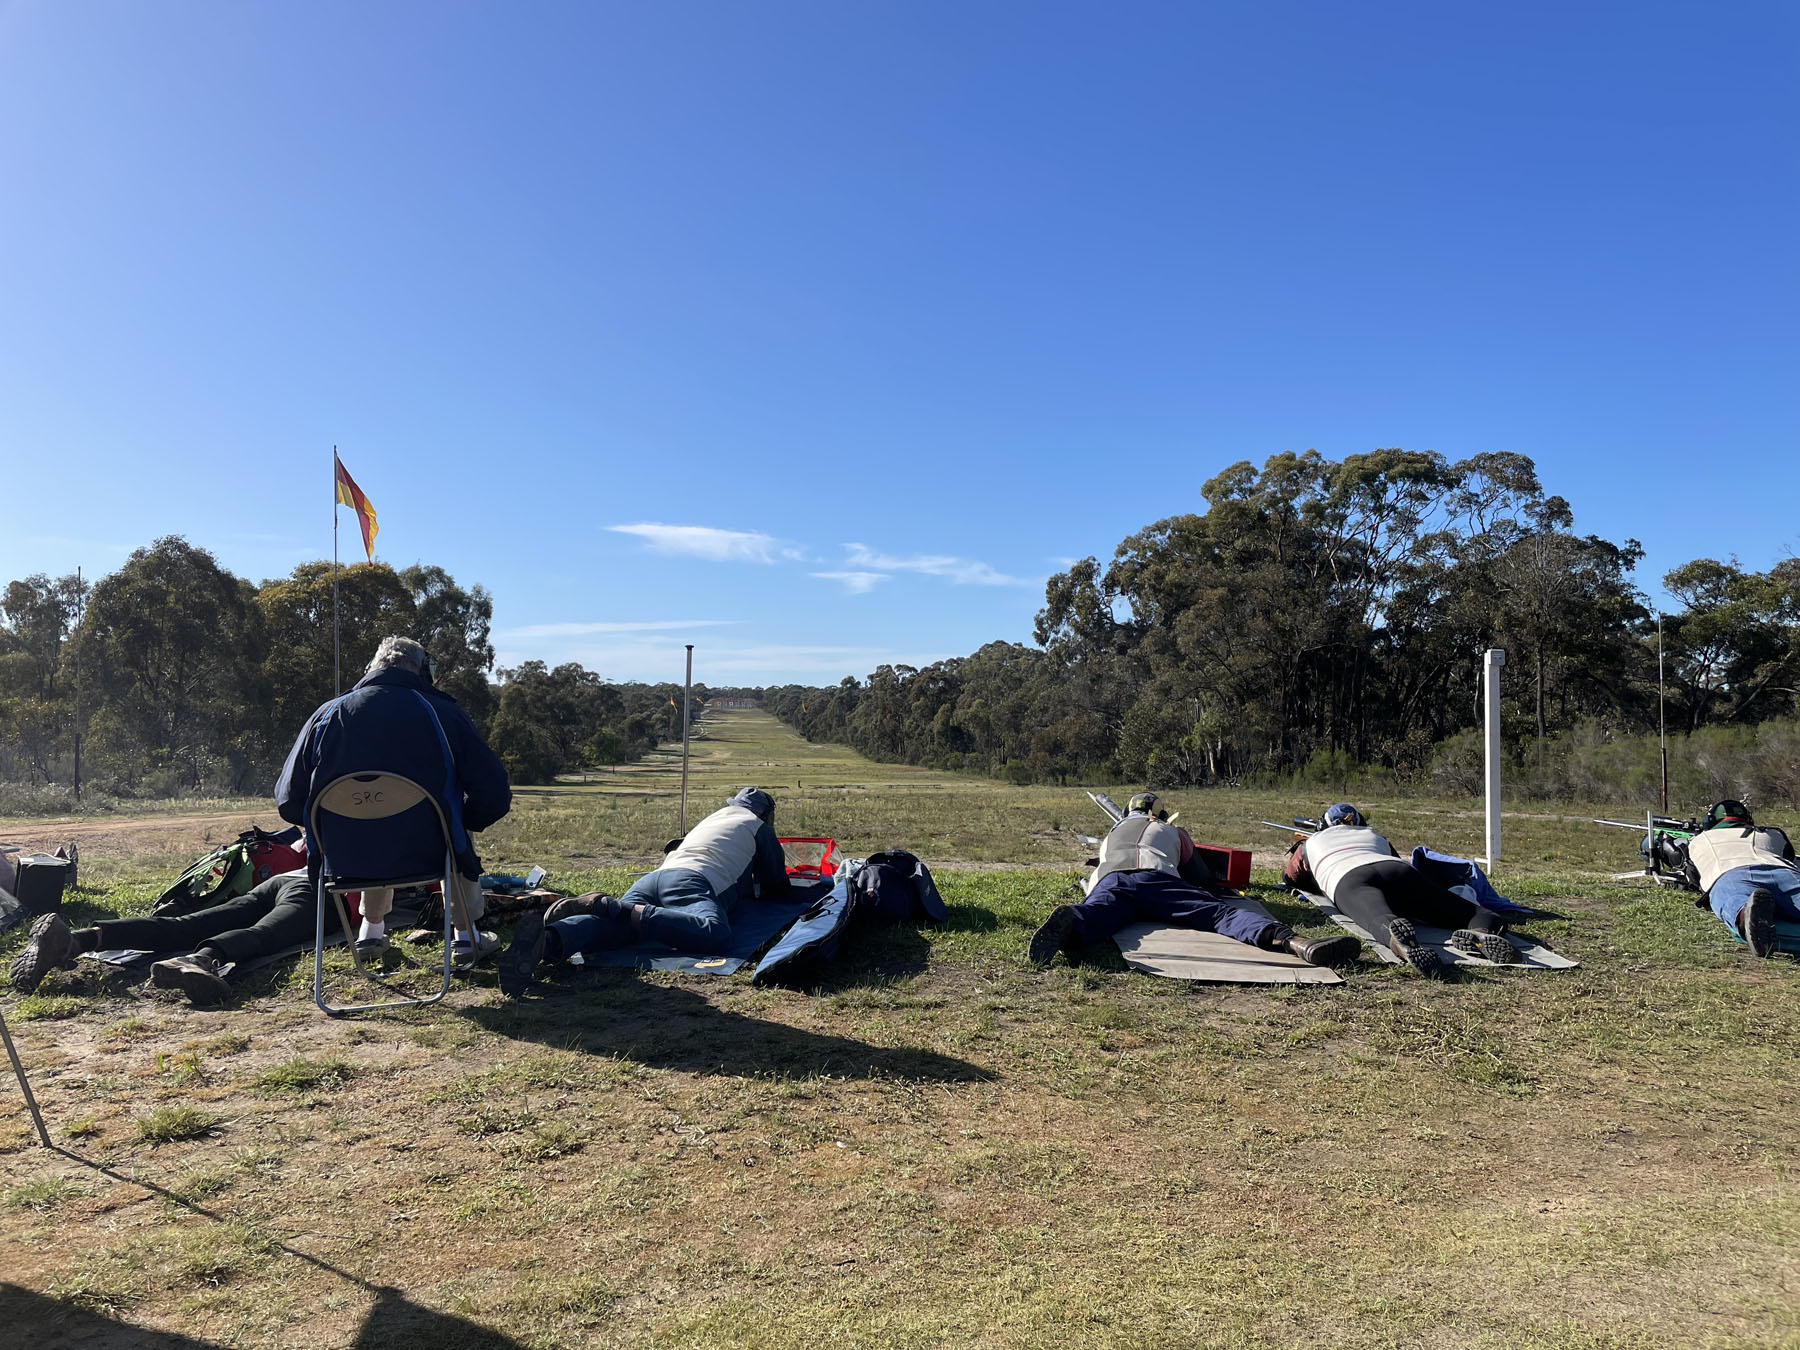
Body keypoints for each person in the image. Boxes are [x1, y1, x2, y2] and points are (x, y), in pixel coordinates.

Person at [275, 635, 511, 968]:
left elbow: (288, 800)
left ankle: (370, 932)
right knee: (448, 822)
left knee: (371, 820)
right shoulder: (442, 712)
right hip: (431, 853)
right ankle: (465, 936)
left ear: (371, 668)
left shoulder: (327, 715)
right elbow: (494, 793)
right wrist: (466, 819)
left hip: (345, 858)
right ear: (423, 671)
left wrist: (333, 828)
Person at [498, 787, 793, 995]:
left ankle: (549, 940)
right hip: (693, 881)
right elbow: (776, 884)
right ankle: (616, 908)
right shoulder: (758, 826)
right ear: (765, 814)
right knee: (715, 932)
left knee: (619, 927)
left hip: (655, 877)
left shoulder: (714, 818)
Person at [1030, 792, 1360, 968]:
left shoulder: (1111, 834)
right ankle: (1294, 942)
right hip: (1158, 880)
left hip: (1113, 880)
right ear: (1161, 814)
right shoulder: (1173, 831)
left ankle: (1071, 925)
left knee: (1095, 915)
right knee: (1222, 915)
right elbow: (1199, 876)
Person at [11, 869, 313, 1006]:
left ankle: (76, 941)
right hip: (320, 888)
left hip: (284, 879)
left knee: (185, 926)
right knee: (265, 934)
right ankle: (199, 961)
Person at [1281, 802, 1517, 975]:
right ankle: (1482, 931)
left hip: (1348, 878)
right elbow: (1392, 857)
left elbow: (1291, 877)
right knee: (1474, 913)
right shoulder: (1374, 834)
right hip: (1398, 871)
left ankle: (1402, 943)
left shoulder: (1310, 843)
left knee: (1379, 920)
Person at [1681, 799, 1797, 957]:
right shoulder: (1774, 833)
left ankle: (1746, 915)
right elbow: (1790, 856)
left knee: (1733, 899)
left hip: (1731, 872)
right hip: (1784, 872)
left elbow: (1693, 876)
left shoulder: (1699, 840)